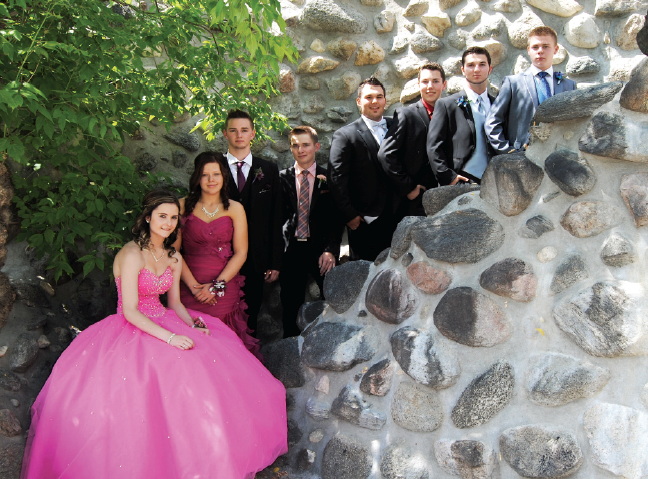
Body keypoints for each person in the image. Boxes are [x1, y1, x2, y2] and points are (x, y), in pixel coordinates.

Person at [21, 190, 287, 479]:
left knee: (204, 359)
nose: (168, 223)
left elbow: (174, 303)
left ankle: (203, 458)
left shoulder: (172, 256)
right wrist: (170, 338)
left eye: (173, 217)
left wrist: (191, 326)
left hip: (164, 318)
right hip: (130, 327)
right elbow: (130, 311)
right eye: (162, 216)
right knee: (158, 376)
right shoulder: (132, 254)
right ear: (147, 218)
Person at [174, 152, 261, 357]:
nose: (211, 180)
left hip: (224, 287)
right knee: (191, 342)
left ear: (224, 176)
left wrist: (215, 286)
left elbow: (241, 253)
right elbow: (173, 252)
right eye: (205, 175)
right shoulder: (182, 206)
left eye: (216, 174)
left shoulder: (235, 208)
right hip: (188, 286)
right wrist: (195, 288)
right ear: (197, 177)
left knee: (224, 345)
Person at [223, 110, 283, 336]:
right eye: (233, 130)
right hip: (220, 256)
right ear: (225, 134)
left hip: (257, 259)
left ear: (252, 134)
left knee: (250, 317)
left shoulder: (267, 169)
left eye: (244, 130)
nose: (239, 135)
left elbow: (276, 216)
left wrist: (275, 261)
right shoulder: (214, 167)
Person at [279, 126, 343, 337]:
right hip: (291, 252)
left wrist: (331, 250)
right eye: (295, 145)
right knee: (290, 306)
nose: (301, 149)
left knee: (333, 302)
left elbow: (336, 217)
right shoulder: (282, 179)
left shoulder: (329, 177)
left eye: (305, 144)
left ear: (316, 146)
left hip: (320, 251)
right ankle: (289, 355)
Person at [328, 77, 395, 261]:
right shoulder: (345, 135)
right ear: (359, 102)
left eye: (379, 96)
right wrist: (350, 216)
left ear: (385, 100)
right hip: (366, 222)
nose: (375, 101)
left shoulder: (396, 126)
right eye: (369, 97)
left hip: (399, 217)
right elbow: (336, 179)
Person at [485, 26, 576, 155]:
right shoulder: (513, 83)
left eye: (546, 46)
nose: (540, 51)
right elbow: (493, 121)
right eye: (535, 47)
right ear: (528, 50)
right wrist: (507, 151)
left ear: (555, 50)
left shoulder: (569, 86)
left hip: (558, 155)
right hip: (522, 156)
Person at [379, 62, 446, 216]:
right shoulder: (406, 114)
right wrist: (408, 187)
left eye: (435, 81)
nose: (430, 86)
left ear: (444, 84)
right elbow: (386, 154)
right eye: (425, 81)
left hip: (446, 194)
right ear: (418, 84)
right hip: (417, 200)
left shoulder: (452, 112)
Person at [427, 46, 496, 185]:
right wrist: (449, 177)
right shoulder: (447, 105)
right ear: (463, 70)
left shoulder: (499, 104)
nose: (476, 69)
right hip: (464, 181)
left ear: (490, 69)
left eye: (482, 64)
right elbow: (433, 147)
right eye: (471, 65)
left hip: (496, 182)